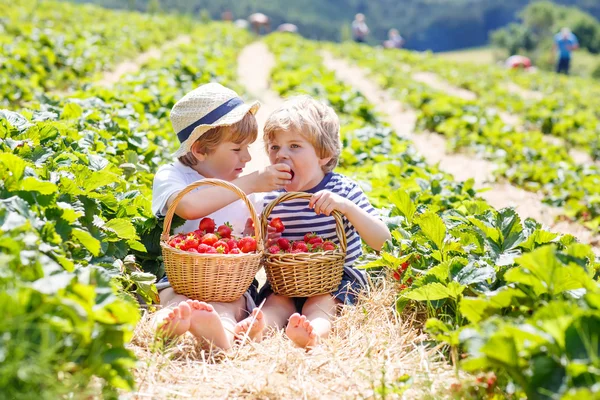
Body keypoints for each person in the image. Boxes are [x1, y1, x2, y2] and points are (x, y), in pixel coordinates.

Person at [151, 82, 292, 350]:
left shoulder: (245, 186)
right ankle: (169, 322)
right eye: (237, 149)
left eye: (248, 147)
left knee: (229, 307)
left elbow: (247, 249)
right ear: (200, 150)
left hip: (229, 286)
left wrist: (258, 236)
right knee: (173, 298)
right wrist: (249, 184)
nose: (248, 157)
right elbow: (189, 206)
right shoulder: (172, 177)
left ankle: (220, 336)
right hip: (179, 278)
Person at [258, 96, 391, 349]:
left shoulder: (342, 190)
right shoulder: (271, 198)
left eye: (294, 146)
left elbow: (383, 242)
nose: (281, 154)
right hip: (288, 281)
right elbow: (258, 253)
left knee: (321, 303)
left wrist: (346, 207)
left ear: (324, 154)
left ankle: (314, 332)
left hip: (335, 281)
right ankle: (258, 328)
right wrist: (264, 242)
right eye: (274, 147)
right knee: (276, 302)